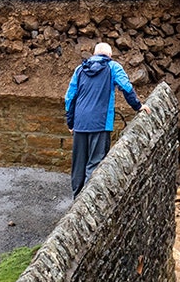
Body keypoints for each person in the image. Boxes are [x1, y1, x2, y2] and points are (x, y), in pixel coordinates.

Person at [64, 42, 150, 197]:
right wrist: (138, 106)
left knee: (78, 165)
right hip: (101, 123)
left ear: (95, 54)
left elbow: (69, 98)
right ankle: (89, 201)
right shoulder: (113, 67)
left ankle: (76, 198)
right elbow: (126, 87)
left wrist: (71, 122)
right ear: (109, 55)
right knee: (95, 164)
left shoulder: (80, 69)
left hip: (80, 123)